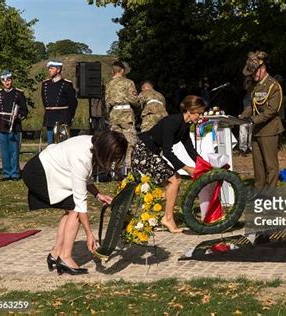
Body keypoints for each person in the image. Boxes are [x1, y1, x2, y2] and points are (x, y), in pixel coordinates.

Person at [21, 131, 128, 275]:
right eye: (113, 157)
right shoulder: (82, 157)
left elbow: (84, 177)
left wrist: (98, 194)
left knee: (71, 208)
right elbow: (80, 202)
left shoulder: (93, 144)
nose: (114, 161)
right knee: (75, 209)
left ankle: (56, 254)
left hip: (48, 169)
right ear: (105, 150)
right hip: (38, 173)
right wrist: (89, 234)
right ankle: (64, 257)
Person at [132, 95, 204, 233]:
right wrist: (187, 168)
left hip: (152, 152)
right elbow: (167, 151)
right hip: (143, 151)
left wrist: (204, 164)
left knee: (173, 184)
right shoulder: (173, 121)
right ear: (189, 110)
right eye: (198, 113)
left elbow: (190, 149)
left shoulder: (185, 126)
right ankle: (167, 218)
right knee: (175, 180)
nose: (200, 117)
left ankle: (153, 206)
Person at [239, 51, 284, 194]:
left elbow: (272, 110)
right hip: (257, 129)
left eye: (253, 73)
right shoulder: (256, 86)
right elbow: (251, 106)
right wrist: (242, 116)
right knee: (258, 164)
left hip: (269, 130)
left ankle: (270, 194)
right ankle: (258, 190)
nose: (252, 76)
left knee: (270, 165)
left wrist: (253, 120)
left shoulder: (273, 86)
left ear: (262, 69)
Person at [0, 70, 28, 181]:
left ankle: (15, 173)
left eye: (9, 79)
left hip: (14, 125)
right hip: (1, 124)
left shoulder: (19, 93)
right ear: (1, 81)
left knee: (14, 151)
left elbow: (25, 110)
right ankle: (6, 173)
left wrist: (19, 115)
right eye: (4, 80)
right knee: (4, 151)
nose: (7, 82)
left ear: (12, 80)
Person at [105, 61, 139, 173]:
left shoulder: (109, 84)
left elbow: (106, 102)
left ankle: (114, 166)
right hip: (126, 114)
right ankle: (128, 167)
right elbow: (134, 100)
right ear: (122, 70)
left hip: (114, 115)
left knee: (115, 141)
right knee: (131, 141)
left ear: (112, 71)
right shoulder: (128, 82)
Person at [41, 61, 78, 144]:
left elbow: (73, 102)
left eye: (51, 68)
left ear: (58, 70)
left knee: (62, 145)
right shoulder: (45, 84)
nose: (49, 70)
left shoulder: (66, 84)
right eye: (49, 68)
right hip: (50, 117)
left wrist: (69, 117)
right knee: (50, 145)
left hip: (62, 118)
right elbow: (44, 101)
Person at [238, 76, 254, 156]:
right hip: (243, 116)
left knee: (251, 134)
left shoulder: (255, 93)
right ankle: (242, 149)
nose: (248, 84)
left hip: (252, 117)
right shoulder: (242, 94)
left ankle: (251, 148)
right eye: (246, 82)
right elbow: (239, 105)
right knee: (243, 133)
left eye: (249, 82)